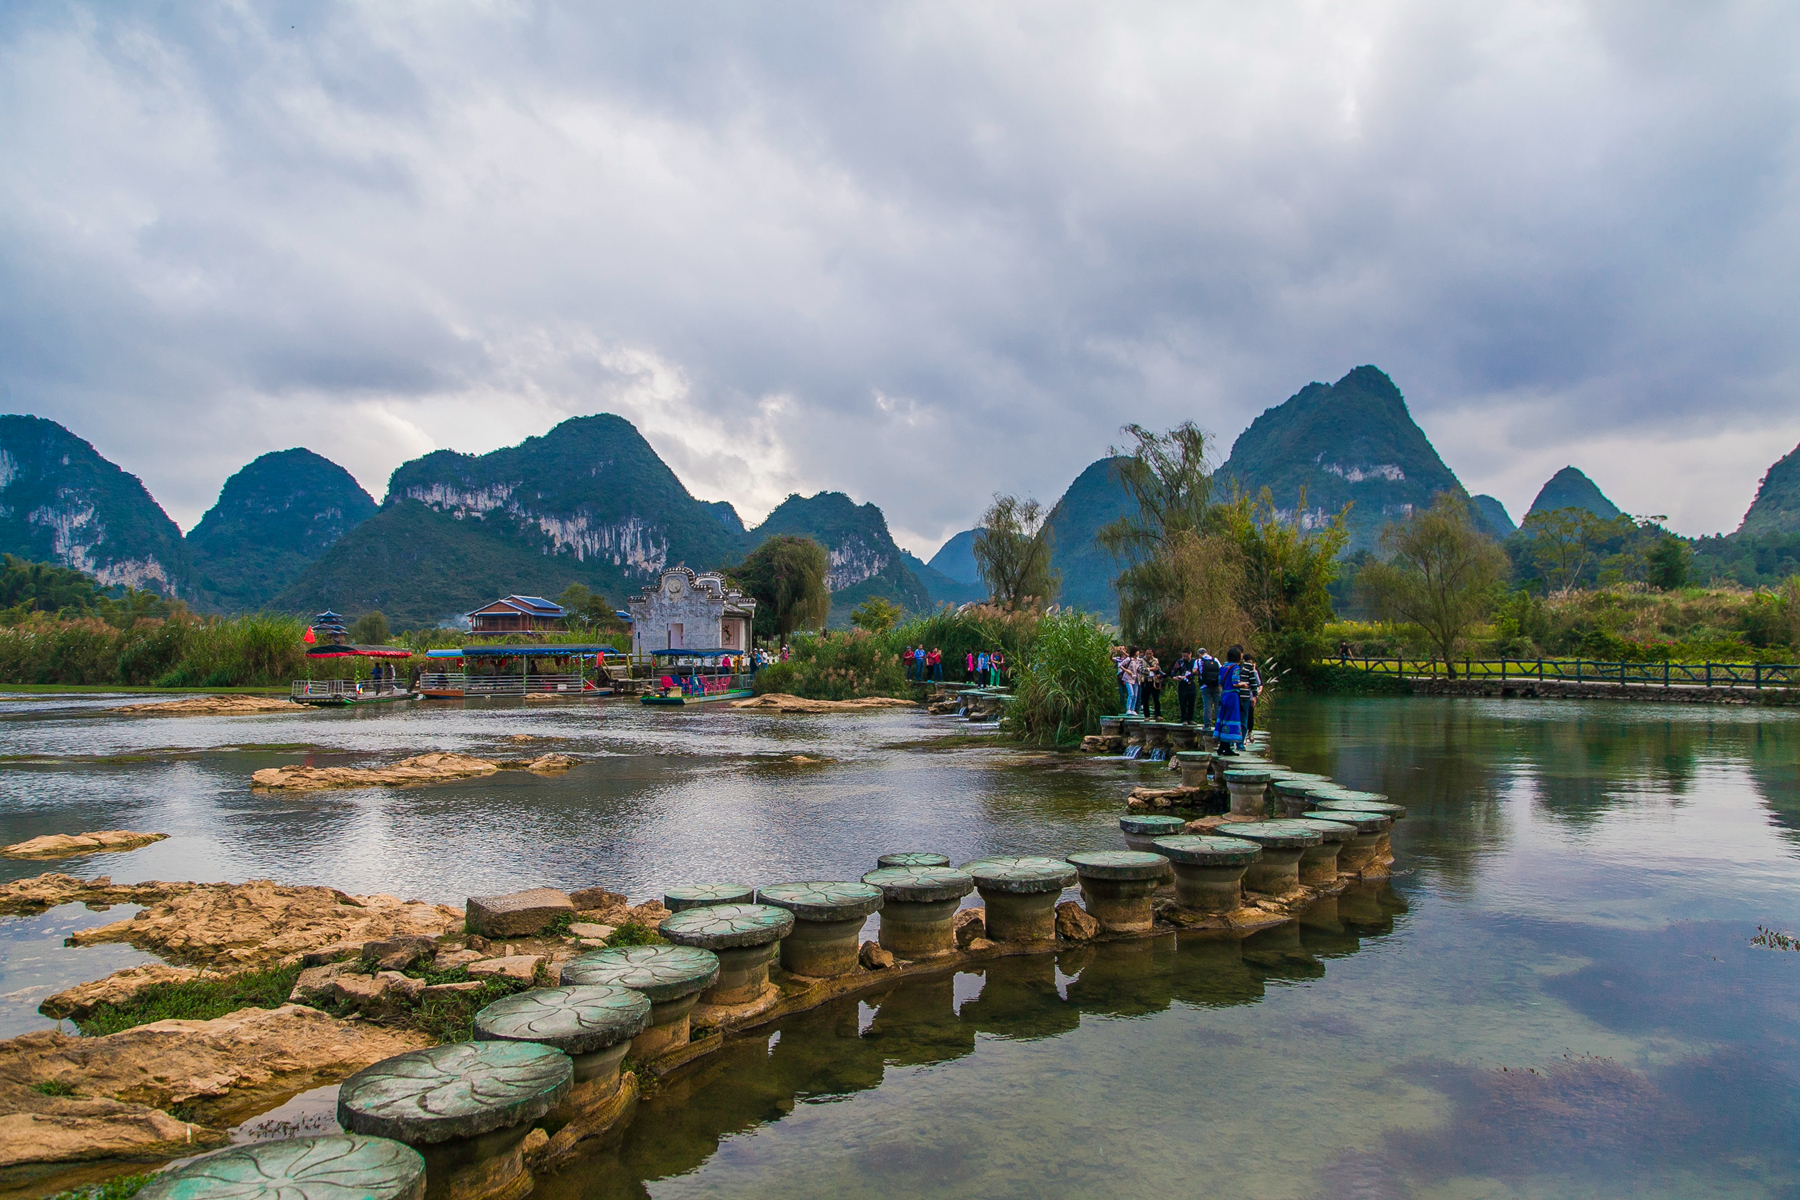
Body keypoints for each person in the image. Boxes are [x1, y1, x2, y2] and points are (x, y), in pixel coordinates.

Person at [1215, 646, 1246, 753]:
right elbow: (1235, 683)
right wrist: (1244, 685)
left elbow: (1220, 682)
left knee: (1224, 719)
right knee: (1232, 719)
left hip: (1224, 695)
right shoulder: (1235, 668)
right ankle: (1227, 747)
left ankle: (1223, 746)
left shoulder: (1223, 667)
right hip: (1232, 696)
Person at [1198, 648, 1222, 729]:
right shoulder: (1215, 659)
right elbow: (1221, 670)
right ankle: (1219, 725)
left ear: (1199, 654)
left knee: (1207, 705)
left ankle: (1207, 725)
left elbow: (1194, 671)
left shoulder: (1199, 661)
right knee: (1218, 706)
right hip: (1217, 686)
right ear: (1207, 653)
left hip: (1205, 686)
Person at [1241, 654, 1263, 736]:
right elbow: (1257, 682)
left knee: (1248, 715)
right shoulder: (1249, 669)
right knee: (1247, 715)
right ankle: (1246, 733)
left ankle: (1248, 732)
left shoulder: (1242, 668)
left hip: (1246, 696)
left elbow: (1258, 683)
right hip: (1247, 696)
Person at [1174, 652, 1197, 724]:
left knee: (1191, 702)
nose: (1185, 658)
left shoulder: (1194, 661)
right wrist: (1175, 677)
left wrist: (1188, 676)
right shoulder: (1180, 662)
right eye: (1183, 656)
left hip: (1191, 682)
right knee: (1183, 702)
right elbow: (1173, 671)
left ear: (1190, 654)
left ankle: (1191, 718)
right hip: (1182, 683)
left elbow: (1196, 672)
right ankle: (1184, 719)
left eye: (1186, 656)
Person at [1142, 651, 1162, 719]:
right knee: (1145, 699)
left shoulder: (1155, 660)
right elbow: (1141, 670)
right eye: (1147, 654)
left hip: (1154, 681)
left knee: (1156, 698)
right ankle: (1147, 715)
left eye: (1150, 654)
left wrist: (1158, 673)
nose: (1149, 655)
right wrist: (1150, 669)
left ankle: (1158, 715)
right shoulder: (1142, 660)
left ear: (1152, 653)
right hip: (1146, 680)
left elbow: (1158, 668)